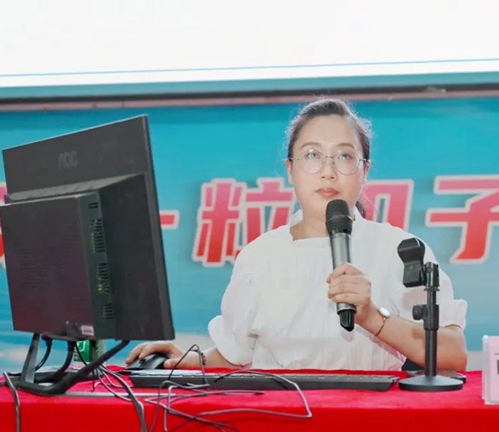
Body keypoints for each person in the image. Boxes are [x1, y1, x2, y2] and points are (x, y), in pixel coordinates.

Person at [126, 98, 468, 371]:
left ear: (365, 170)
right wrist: (185, 359)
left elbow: (453, 354)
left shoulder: (399, 249)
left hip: (371, 421)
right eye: (313, 155)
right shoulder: (260, 257)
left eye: (344, 156)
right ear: (290, 169)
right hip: (279, 420)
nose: (328, 171)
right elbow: (233, 354)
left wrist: (373, 318)